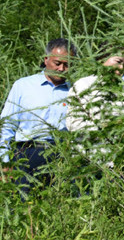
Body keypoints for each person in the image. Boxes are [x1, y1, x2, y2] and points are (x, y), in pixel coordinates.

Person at [0, 38, 77, 192]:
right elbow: (7, 125)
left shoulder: (74, 91)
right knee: (23, 201)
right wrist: (4, 161)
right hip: (26, 155)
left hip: (61, 156)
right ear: (46, 59)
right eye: (57, 63)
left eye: (67, 64)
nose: (62, 69)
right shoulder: (23, 86)